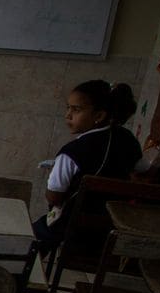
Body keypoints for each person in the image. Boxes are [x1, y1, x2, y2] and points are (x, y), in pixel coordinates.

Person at [33, 78, 142, 251]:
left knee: (31, 236)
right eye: (67, 108)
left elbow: (53, 197)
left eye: (76, 110)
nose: (67, 115)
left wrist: (54, 173)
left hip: (74, 230)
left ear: (99, 115)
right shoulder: (128, 139)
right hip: (111, 229)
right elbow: (139, 171)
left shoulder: (72, 152)